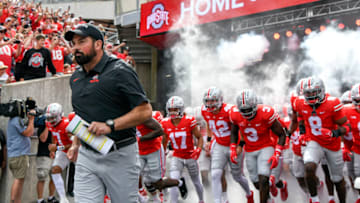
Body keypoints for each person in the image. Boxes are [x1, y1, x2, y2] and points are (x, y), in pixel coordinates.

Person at [65, 23, 152, 202]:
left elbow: (145, 111)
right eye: (73, 43)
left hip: (120, 154)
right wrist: (75, 144)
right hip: (87, 155)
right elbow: (82, 115)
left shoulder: (120, 71)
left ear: (98, 44)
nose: (76, 48)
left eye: (82, 42)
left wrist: (110, 125)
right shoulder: (75, 77)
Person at [293, 77, 349, 203]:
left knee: (337, 179)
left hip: (332, 144)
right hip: (315, 141)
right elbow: (300, 117)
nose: (311, 95)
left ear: (322, 90)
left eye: (314, 92)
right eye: (308, 93)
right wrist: (302, 132)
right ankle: (314, 199)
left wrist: (333, 133)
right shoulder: (299, 102)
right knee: (308, 166)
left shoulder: (333, 103)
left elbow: (346, 127)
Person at [229, 89, 286, 203]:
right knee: (257, 183)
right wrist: (233, 148)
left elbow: (282, 134)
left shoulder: (265, 113)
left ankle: (268, 192)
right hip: (250, 150)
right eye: (243, 110)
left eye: (248, 109)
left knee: (263, 178)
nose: (246, 113)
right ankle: (273, 190)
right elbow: (234, 132)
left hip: (266, 147)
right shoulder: (235, 114)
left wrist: (277, 153)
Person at [201, 87, 253, 203]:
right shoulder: (204, 111)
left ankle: (249, 194)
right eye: (208, 101)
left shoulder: (231, 110)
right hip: (219, 144)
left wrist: (240, 145)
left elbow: (242, 128)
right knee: (215, 174)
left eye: (213, 100)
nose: (210, 104)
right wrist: (209, 140)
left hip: (233, 145)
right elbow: (209, 124)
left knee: (237, 177)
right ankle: (218, 200)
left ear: (220, 99)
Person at [161, 96, 204, 203]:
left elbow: (199, 137)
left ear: (180, 109)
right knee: (174, 181)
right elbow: (164, 140)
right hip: (177, 156)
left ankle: (201, 200)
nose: (172, 112)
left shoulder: (189, 120)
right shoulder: (165, 123)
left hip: (190, 155)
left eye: (175, 109)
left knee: (196, 181)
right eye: (170, 109)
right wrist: (163, 152)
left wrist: (198, 150)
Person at [136, 110, 186, 203]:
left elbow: (160, 131)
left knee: (157, 182)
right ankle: (153, 199)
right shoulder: (126, 117)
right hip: (139, 151)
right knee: (138, 177)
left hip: (153, 150)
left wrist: (140, 139)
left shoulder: (147, 116)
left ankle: (179, 182)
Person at [7, 101, 36, 203]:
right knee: (18, 180)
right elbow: (28, 132)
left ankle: (17, 201)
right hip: (19, 155)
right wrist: (31, 120)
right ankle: (13, 201)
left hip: (15, 155)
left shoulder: (13, 120)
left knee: (20, 179)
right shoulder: (16, 120)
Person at [45, 103, 73, 203]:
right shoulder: (48, 123)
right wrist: (54, 145)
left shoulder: (67, 124)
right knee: (55, 170)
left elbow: (74, 144)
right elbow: (53, 133)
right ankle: (63, 198)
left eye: (53, 117)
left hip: (75, 151)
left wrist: (57, 147)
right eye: (49, 117)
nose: (50, 120)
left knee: (81, 175)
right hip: (62, 150)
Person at [35, 114, 58, 203]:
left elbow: (54, 140)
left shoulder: (54, 126)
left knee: (54, 177)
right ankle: (40, 199)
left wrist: (53, 151)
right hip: (43, 155)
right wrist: (47, 126)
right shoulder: (42, 126)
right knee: (42, 177)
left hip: (52, 155)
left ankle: (51, 197)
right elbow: (43, 139)